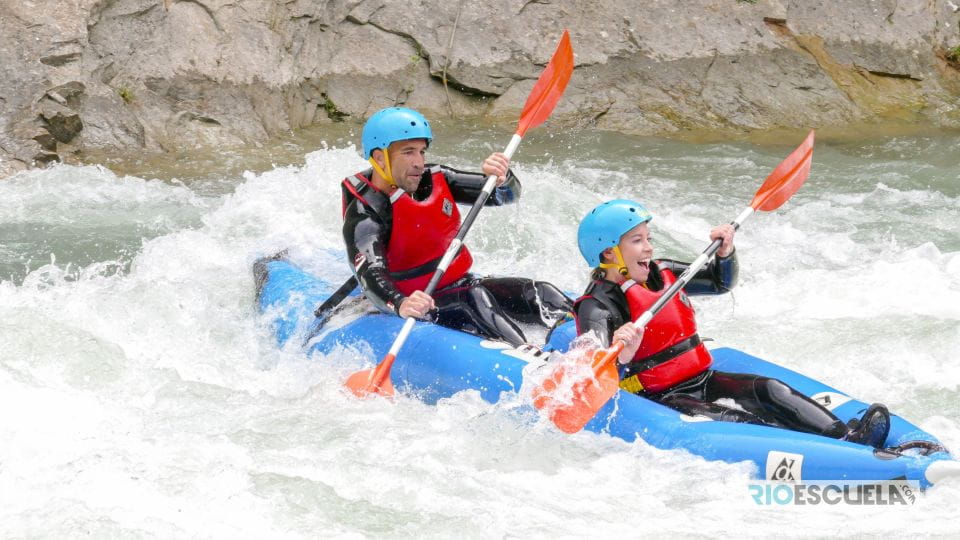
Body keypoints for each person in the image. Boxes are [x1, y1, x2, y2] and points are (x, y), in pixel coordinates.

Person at [572, 199, 891, 448]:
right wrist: (623, 355)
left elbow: (718, 283)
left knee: (770, 390)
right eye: (637, 241)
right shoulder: (597, 305)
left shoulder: (663, 271)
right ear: (609, 254)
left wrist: (725, 253)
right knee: (738, 421)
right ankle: (817, 450)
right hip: (657, 396)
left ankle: (846, 437)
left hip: (700, 376)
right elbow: (592, 371)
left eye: (648, 238)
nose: (649, 247)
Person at [341, 107, 572, 346]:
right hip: (419, 300)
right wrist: (400, 304)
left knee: (540, 293)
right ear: (380, 158)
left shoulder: (436, 179)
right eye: (408, 153)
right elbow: (370, 272)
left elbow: (507, 195)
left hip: (459, 283)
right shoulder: (364, 213)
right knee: (474, 297)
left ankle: (589, 336)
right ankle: (531, 357)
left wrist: (503, 178)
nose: (419, 162)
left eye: (421, 151)